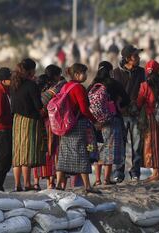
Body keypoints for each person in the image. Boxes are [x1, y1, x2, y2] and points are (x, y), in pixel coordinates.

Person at [56, 63, 100, 194]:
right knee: (81, 153)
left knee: (64, 154)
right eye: (84, 73)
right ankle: (87, 185)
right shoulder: (78, 88)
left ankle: (59, 184)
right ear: (76, 74)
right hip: (77, 124)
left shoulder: (65, 86)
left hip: (65, 125)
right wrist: (95, 121)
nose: (86, 75)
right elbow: (84, 109)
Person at [88, 61, 129, 186]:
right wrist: (119, 105)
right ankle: (106, 179)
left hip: (95, 122)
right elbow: (126, 99)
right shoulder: (114, 83)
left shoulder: (93, 85)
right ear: (110, 71)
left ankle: (98, 179)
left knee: (98, 148)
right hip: (112, 119)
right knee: (109, 148)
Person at [10, 58, 46, 192]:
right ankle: (27, 183)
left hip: (17, 120)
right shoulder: (31, 85)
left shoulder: (14, 84)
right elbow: (38, 105)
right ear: (31, 70)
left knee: (18, 152)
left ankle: (17, 185)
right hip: (29, 121)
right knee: (26, 152)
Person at [112, 44, 146, 182]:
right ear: (127, 59)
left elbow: (144, 91)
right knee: (120, 145)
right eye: (135, 56)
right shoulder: (115, 73)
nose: (138, 58)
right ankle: (118, 173)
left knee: (137, 146)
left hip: (136, 114)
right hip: (120, 115)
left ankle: (135, 172)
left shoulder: (142, 72)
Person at [33, 65, 67, 190]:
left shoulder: (39, 87)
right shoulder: (55, 89)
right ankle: (52, 182)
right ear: (56, 76)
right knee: (54, 150)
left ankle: (41, 182)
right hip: (53, 123)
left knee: (44, 151)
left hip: (41, 123)